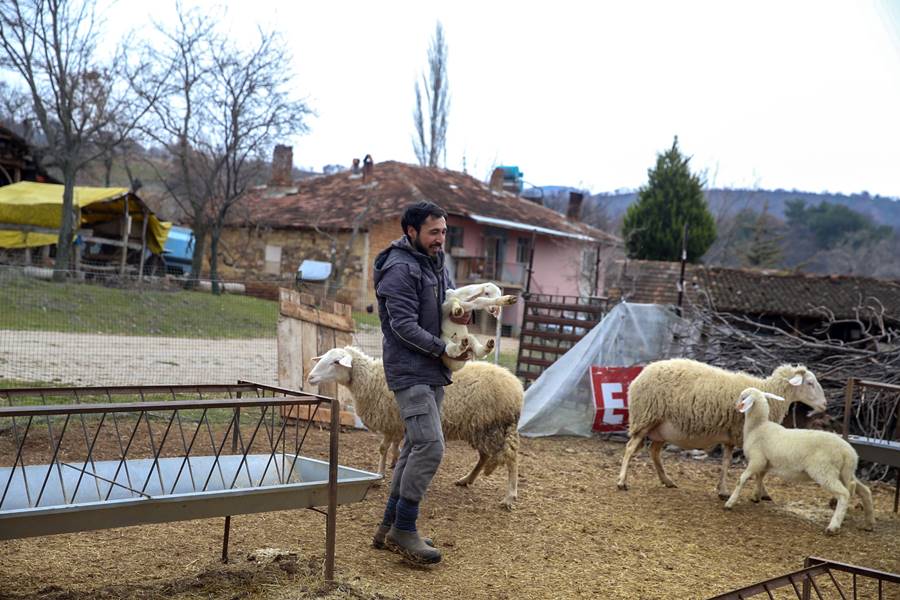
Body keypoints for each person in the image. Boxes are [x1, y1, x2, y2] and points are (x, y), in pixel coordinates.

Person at [371, 200, 466, 566]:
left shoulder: (435, 263)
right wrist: (443, 347)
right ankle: (404, 529)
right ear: (411, 231)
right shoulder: (399, 269)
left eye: (444, 231)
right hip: (409, 370)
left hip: (432, 369)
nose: (441, 238)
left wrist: (463, 314)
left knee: (413, 447)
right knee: (430, 446)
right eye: (433, 232)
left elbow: (448, 304)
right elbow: (402, 325)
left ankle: (388, 527)